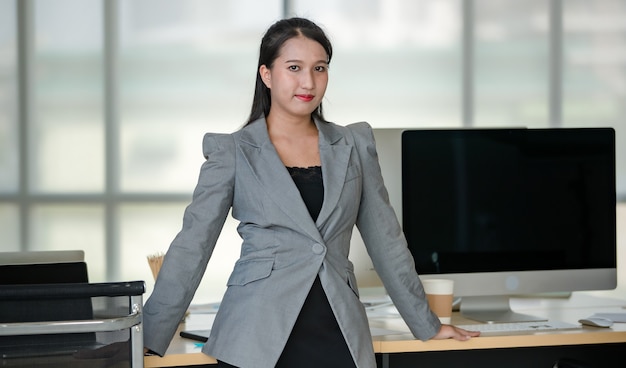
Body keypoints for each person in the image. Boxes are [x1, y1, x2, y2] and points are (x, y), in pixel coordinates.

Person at [142, 17, 479, 368]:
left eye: (319, 68)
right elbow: (192, 245)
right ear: (267, 75)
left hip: (338, 330)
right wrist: (150, 335)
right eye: (294, 68)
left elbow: (388, 244)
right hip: (255, 334)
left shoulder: (353, 145)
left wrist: (426, 324)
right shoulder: (233, 151)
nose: (309, 82)